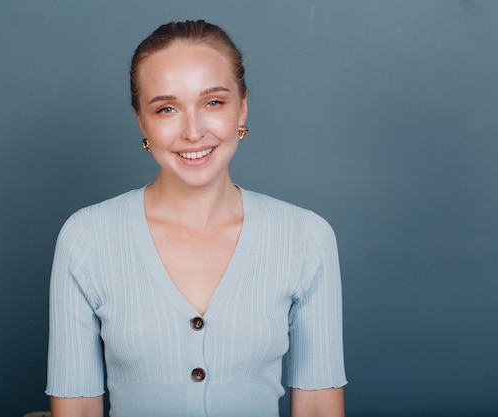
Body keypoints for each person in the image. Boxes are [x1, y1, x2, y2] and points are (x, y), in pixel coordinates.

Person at [46, 20, 347, 417]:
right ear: (141, 121)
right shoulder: (86, 238)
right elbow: (79, 410)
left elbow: (318, 408)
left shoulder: (306, 237)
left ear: (242, 107)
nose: (193, 131)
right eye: (166, 108)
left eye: (213, 102)